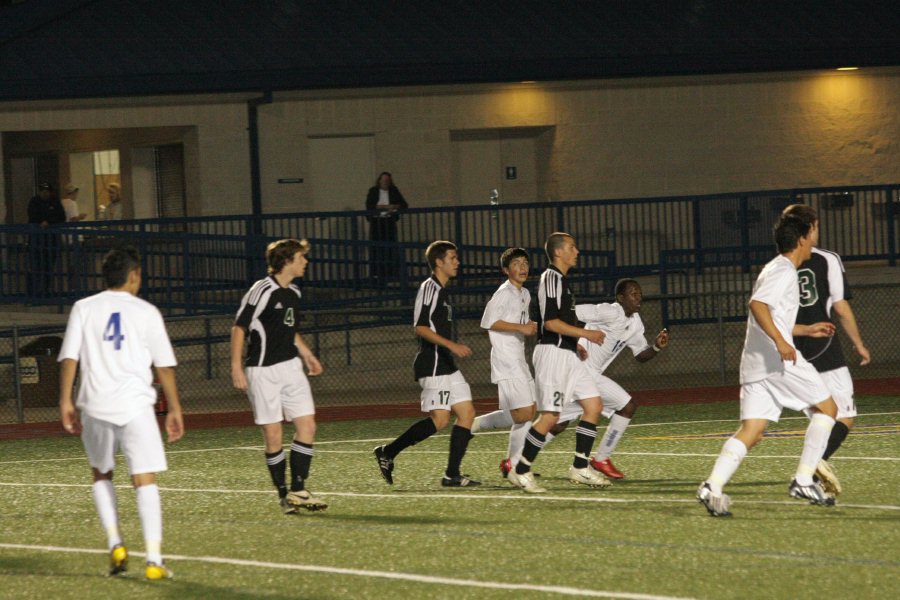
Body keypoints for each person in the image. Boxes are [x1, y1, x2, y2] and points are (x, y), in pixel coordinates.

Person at [697, 208, 839, 517]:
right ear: (804, 237)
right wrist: (780, 341)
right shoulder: (784, 270)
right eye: (814, 229)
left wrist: (804, 330)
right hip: (777, 361)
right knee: (828, 409)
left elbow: (771, 316)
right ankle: (803, 479)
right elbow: (758, 305)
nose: (816, 234)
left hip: (756, 363)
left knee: (753, 430)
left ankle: (712, 486)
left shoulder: (775, 268)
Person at [58, 245, 184, 579]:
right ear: (133, 276)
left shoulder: (83, 308)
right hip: (136, 406)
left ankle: (116, 542)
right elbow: (165, 366)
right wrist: (174, 408)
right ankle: (154, 560)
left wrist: (65, 401)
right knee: (144, 480)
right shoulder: (147, 312)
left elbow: (70, 357)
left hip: (96, 405)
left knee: (101, 474)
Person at [506, 232, 610, 493]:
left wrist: (576, 344)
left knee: (593, 405)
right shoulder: (550, 278)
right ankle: (520, 470)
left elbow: (565, 321)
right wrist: (587, 334)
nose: (577, 251)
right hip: (552, 354)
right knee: (550, 416)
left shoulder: (563, 282)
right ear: (558, 253)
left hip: (567, 353)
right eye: (572, 247)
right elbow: (550, 322)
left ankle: (580, 467)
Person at [231, 238, 328, 514]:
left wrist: (307, 354)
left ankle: (299, 489)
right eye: (301, 258)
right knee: (274, 436)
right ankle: (284, 495)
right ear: (287, 261)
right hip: (262, 371)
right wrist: (236, 366)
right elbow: (240, 327)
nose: (305, 262)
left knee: (307, 426)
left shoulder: (294, 294)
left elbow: (288, 330)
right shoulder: (261, 290)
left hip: (291, 368)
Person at [373, 240, 481, 487]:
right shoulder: (430, 288)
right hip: (432, 363)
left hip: (445, 363)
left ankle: (451, 475)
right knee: (441, 419)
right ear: (438, 262)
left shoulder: (442, 292)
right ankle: (388, 452)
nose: (457, 262)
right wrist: (451, 345)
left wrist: (450, 350)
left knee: (467, 414)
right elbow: (420, 327)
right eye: (452, 258)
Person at [784, 204, 871, 497]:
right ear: (809, 229)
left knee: (820, 418)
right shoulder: (826, 259)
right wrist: (859, 344)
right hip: (825, 349)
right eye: (816, 226)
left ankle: (808, 477)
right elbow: (840, 307)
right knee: (844, 415)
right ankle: (812, 468)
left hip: (793, 351)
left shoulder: (779, 263)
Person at [545, 279, 670, 480]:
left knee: (557, 423)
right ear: (620, 298)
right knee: (627, 406)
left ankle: (516, 460)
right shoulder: (609, 311)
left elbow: (640, 355)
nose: (638, 297)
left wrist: (656, 347)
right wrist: (575, 340)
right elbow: (571, 312)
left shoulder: (635, 322)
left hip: (588, 375)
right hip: (579, 371)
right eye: (633, 293)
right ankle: (597, 460)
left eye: (639, 293)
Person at [472, 247, 542, 491]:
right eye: (516, 263)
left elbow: (518, 325)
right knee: (523, 414)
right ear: (505, 270)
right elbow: (489, 322)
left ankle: (513, 465)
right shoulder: (503, 293)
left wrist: (528, 326)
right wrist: (521, 328)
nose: (523, 267)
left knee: (528, 412)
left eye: (525, 262)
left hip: (518, 358)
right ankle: (476, 424)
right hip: (506, 360)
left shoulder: (524, 294)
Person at [365, 172, 408, 283]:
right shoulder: (373, 191)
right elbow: (370, 205)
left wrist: (393, 206)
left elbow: (404, 204)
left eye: (387, 181)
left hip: (389, 221)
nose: (385, 183)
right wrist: (384, 207)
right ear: (379, 181)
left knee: (390, 248)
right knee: (377, 248)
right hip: (377, 222)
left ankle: (391, 274)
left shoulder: (394, 191)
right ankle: (376, 275)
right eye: (383, 181)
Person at [27, 182, 66, 297]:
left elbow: (61, 216)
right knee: (36, 267)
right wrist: (41, 222)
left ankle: (46, 291)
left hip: (51, 241)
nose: (45, 193)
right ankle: (36, 293)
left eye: (47, 191)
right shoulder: (34, 202)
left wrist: (48, 222)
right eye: (43, 191)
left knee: (49, 267)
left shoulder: (54, 201)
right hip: (37, 241)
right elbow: (32, 216)